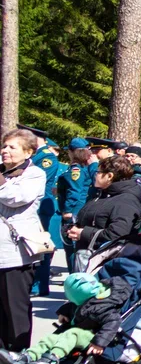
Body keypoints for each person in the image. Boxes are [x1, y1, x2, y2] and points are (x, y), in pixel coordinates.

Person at [0, 271, 133, 364]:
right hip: (82, 331)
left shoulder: (105, 306)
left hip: (94, 337)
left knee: (71, 333)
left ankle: (52, 359)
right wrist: (63, 311)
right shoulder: (90, 297)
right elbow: (75, 305)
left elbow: (113, 323)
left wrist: (100, 342)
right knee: (53, 337)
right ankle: (28, 355)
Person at [0, 128, 49, 352]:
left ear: (28, 152)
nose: (5, 151)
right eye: (4, 146)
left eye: (12, 147)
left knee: (15, 305)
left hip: (15, 252)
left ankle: (18, 354)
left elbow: (17, 197)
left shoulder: (35, 173)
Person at [67, 154, 141, 257]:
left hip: (105, 261)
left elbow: (118, 234)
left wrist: (83, 233)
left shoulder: (126, 200)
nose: (95, 175)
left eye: (98, 172)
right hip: (89, 256)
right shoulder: (103, 194)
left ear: (109, 176)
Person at [26, 127, 63, 297]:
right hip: (35, 206)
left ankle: (39, 285)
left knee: (41, 247)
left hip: (41, 206)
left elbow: (38, 179)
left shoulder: (46, 157)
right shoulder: (36, 155)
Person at [57, 137, 97, 274]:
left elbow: (75, 192)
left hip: (74, 213)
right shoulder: (82, 168)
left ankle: (75, 279)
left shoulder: (76, 170)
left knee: (72, 250)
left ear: (72, 152)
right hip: (80, 211)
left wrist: (68, 210)